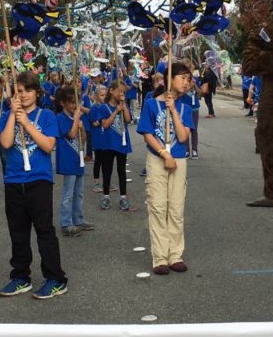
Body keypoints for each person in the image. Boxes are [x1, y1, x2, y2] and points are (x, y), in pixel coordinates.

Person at [0, 71, 67, 299]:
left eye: (28, 90)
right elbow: (6, 142)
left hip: (39, 181)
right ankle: (20, 276)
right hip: (14, 181)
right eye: (19, 91)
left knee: (44, 231)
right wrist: (13, 115)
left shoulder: (46, 116)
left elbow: (48, 145)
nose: (24, 94)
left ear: (37, 93)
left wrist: (26, 123)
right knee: (17, 232)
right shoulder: (8, 115)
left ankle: (55, 278)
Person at [137, 62, 192, 275]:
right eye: (182, 77)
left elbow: (183, 136)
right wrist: (164, 154)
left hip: (179, 161)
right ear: (170, 79)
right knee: (158, 207)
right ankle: (160, 257)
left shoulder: (185, 107)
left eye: (188, 79)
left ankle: (175, 255)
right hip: (158, 159)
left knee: (176, 209)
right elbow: (148, 133)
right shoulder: (151, 104)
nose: (186, 82)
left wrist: (173, 111)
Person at [54, 87, 91, 237]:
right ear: (62, 103)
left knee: (79, 193)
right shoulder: (60, 118)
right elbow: (71, 134)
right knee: (68, 194)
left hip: (78, 158)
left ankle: (78, 219)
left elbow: (82, 139)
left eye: (75, 103)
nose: (73, 106)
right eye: (70, 103)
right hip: (68, 160)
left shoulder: (76, 118)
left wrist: (81, 127)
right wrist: (76, 119)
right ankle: (66, 223)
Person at [96, 80, 132, 210]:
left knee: (121, 170)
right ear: (111, 91)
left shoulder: (123, 105)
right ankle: (106, 196)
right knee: (107, 170)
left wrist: (123, 106)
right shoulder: (103, 107)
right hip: (108, 143)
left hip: (121, 143)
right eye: (120, 91)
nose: (122, 94)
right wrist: (116, 111)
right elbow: (105, 125)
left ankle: (123, 197)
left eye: (124, 92)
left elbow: (128, 119)